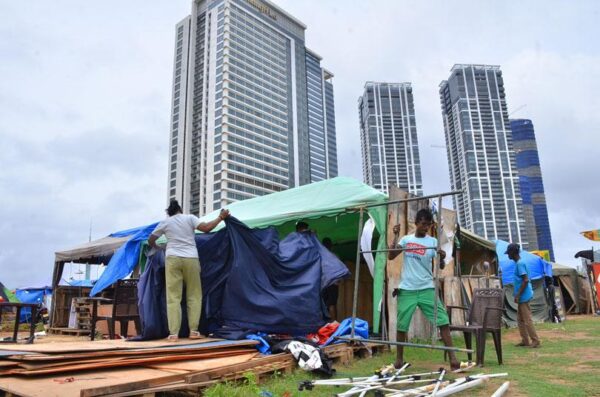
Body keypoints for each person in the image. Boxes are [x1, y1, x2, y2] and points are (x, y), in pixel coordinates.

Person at [388, 208, 460, 370]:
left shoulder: (433, 242)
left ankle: (453, 359)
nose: (425, 227)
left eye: (428, 225)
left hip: (427, 288)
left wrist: (442, 258)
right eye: (423, 224)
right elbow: (391, 256)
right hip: (407, 289)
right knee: (401, 326)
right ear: (416, 223)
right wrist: (395, 237)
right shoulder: (406, 240)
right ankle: (399, 359)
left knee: (442, 321)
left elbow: (440, 266)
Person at [148, 200, 230, 341]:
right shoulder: (190, 218)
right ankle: (193, 331)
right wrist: (221, 217)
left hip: (172, 258)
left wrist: (160, 247)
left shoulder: (165, 223)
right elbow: (206, 228)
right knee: (194, 295)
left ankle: (173, 334)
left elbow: (151, 239)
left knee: (173, 297)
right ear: (180, 209)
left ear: (169, 212)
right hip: (191, 258)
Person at [506, 243, 540, 348]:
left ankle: (535, 341)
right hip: (522, 295)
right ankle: (525, 340)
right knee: (520, 320)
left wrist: (518, 295)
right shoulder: (519, 263)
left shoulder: (520, 264)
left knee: (527, 319)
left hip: (524, 295)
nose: (508, 255)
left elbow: (525, 280)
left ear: (513, 252)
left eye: (509, 253)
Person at [321, 237, 339, 320]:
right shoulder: (334, 256)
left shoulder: (320, 257)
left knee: (324, 304)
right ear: (331, 246)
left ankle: (326, 325)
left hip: (323, 283)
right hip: (333, 283)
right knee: (332, 304)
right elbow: (339, 270)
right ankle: (334, 325)